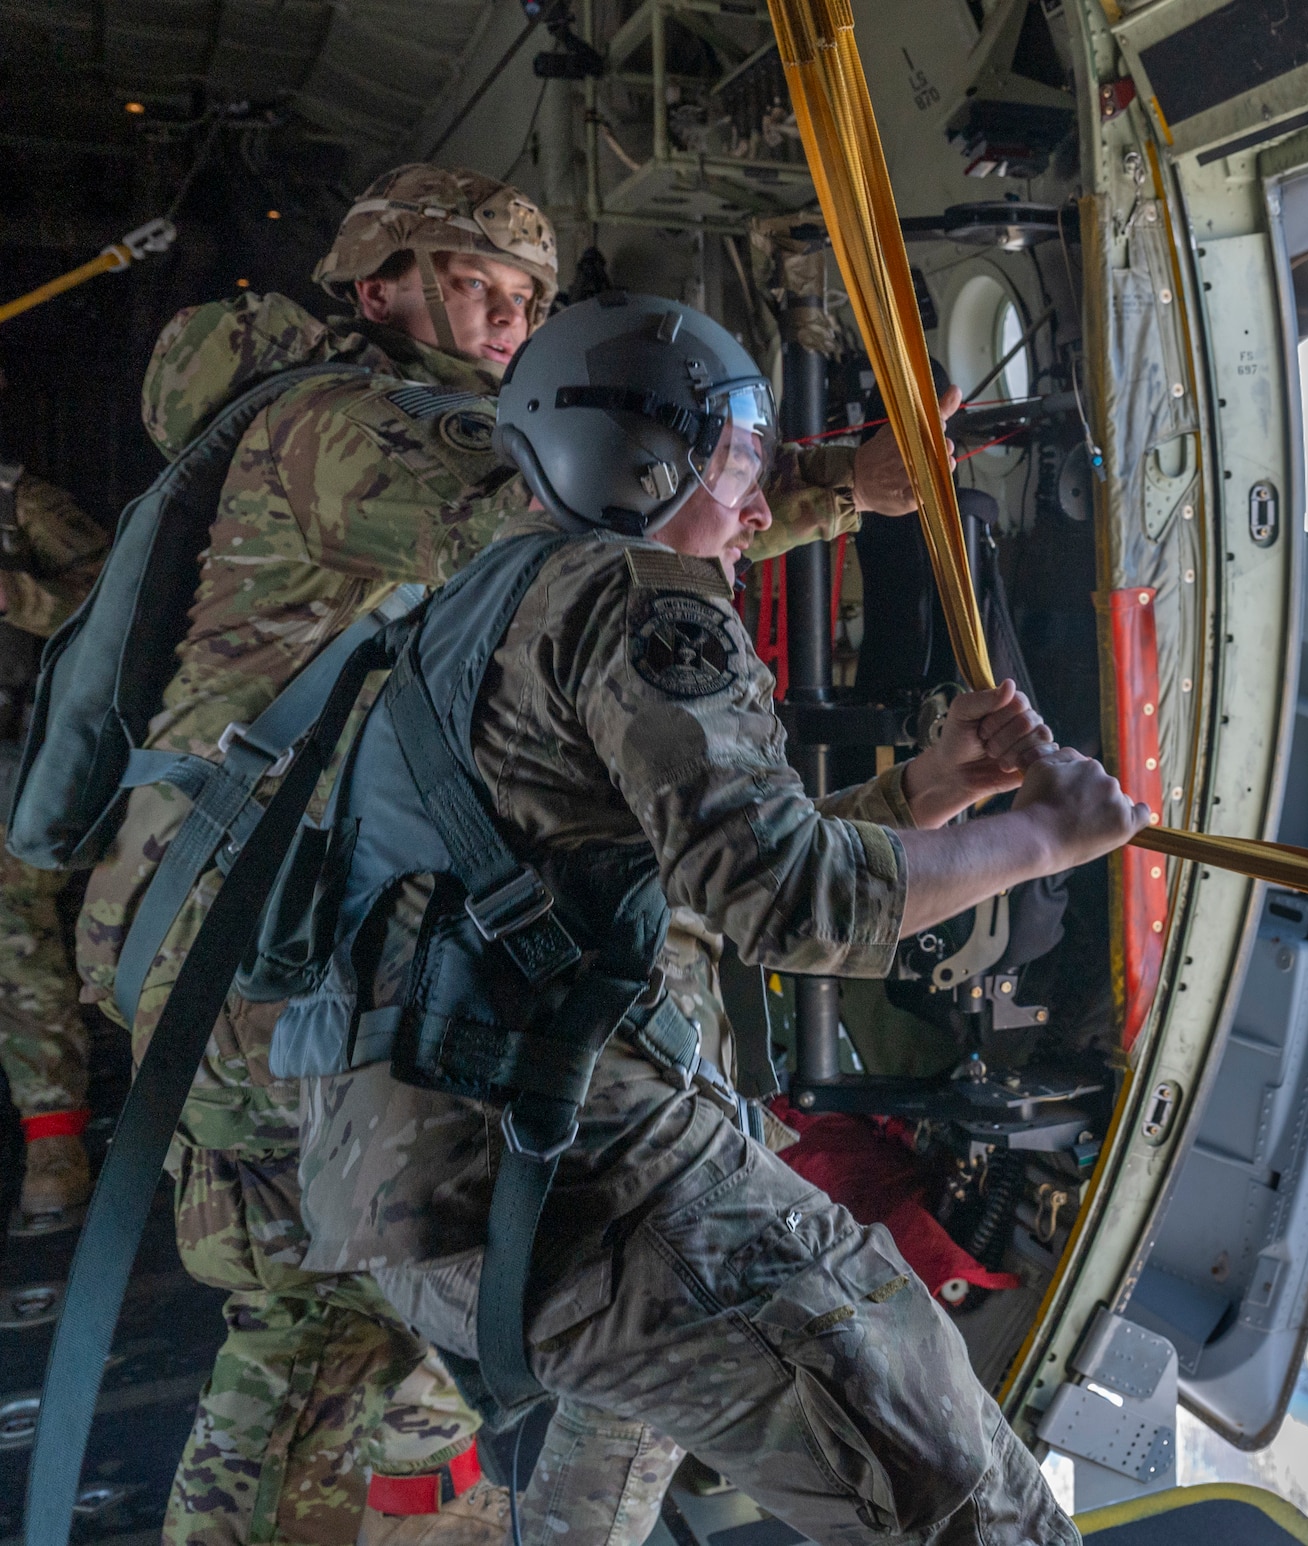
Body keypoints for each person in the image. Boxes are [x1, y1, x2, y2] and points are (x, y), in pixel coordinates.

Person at [83, 164, 944, 1546]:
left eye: (530, 299)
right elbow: (579, 514)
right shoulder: (343, 429)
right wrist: (844, 483)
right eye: (480, 285)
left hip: (278, 911)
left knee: (337, 1308)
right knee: (367, 1293)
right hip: (244, 933)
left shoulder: (394, 424)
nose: (509, 317)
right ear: (382, 288)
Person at [293, 292, 1142, 1546]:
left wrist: (925, 793)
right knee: (965, 1494)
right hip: (589, 1176)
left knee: (614, 1476)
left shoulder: (478, 600)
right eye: (740, 464)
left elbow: (655, 865)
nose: (758, 507)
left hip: (436, 1185)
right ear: (641, 464)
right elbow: (779, 896)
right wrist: (1044, 839)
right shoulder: (646, 599)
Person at [0, 445, 107, 1229]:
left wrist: (15, 597)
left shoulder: (19, 504)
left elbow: (118, 603)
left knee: (13, 925)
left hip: (16, 768)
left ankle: (54, 1141)